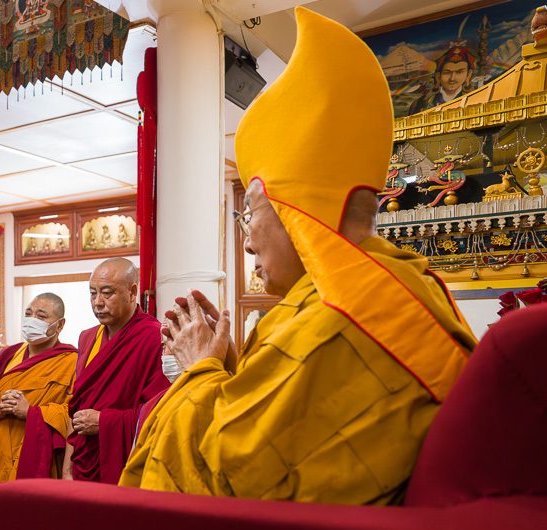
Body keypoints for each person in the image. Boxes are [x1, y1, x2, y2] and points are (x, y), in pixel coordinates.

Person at [119, 7, 477, 505]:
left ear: (295, 211)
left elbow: (223, 481)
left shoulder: (337, 315)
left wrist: (199, 366)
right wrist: (235, 368)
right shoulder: (399, 284)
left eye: (250, 212)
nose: (247, 242)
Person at [64, 258, 168, 484]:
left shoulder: (155, 338)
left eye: (107, 293)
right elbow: (78, 408)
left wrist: (104, 422)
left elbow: (161, 412)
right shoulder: (88, 338)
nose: (97, 303)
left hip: (127, 462)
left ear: (132, 292)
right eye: (92, 294)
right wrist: (66, 469)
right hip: (84, 461)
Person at [0, 292, 78, 486]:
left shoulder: (72, 361)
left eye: (41, 316)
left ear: (60, 325)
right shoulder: (9, 355)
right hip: (0, 458)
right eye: (28, 314)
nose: (32, 320)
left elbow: (74, 417)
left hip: (39, 460)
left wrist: (31, 412)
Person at [409, 43, 476, 114]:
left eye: (459, 72)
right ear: (438, 76)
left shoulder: (473, 100)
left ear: (468, 75)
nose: (452, 78)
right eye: (447, 72)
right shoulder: (420, 104)